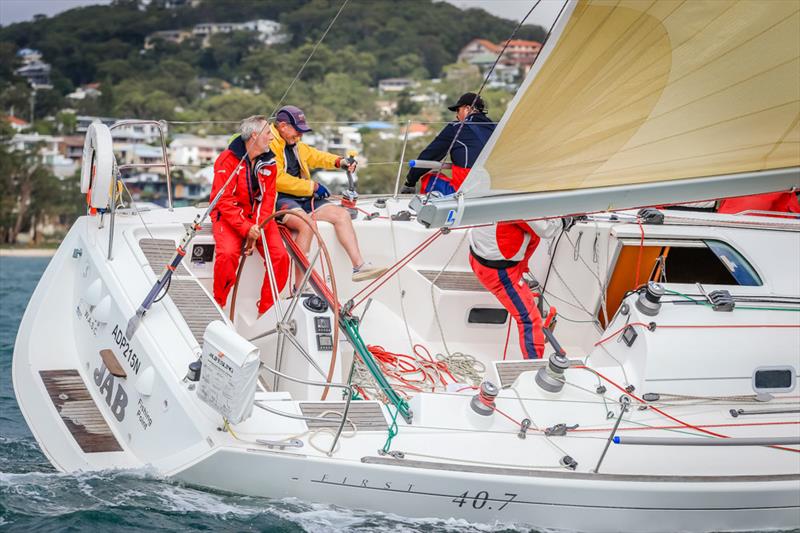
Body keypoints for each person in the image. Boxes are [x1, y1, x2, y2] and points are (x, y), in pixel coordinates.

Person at [270, 105, 386, 283]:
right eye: (297, 131)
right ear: (283, 126)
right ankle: (300, 287)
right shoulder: (270, 143)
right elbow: (277, 180)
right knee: (307, 225)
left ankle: (358, 266)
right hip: (279, 199)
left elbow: (315, 156)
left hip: (302, 197)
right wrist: (313, 187)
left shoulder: (294, 143)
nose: (300, 136)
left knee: (341, 215)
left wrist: (339, 162)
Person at [210, 115, 289, 315]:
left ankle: (266, 310)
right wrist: (247, 229)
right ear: (255, 135)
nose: (272, 137)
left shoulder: (270, 161)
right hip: (228, 217)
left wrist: (257, 228)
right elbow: (224, 201)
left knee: (280, 257)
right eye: (269, 133)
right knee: (227, 255)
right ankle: (218, 305)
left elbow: (269, 197)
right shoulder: (226, 160)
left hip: (259, 218)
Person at [468, 219, 561, 359]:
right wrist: (564, 220)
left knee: (533, 233)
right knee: (530, 320)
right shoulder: (521, 202)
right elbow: (547, 229)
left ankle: (520, 277)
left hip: (481, 256)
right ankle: (533, 371)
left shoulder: (503, 197)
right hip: (499, 274)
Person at [401, 92, 496, 195]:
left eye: (458, 110)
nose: (456, 115)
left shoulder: (456, 128)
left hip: (465, 193)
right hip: (494, 190)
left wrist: (410, 182)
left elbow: (430, 155)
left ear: (467, 109)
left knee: (429, 179)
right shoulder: (495, 127)